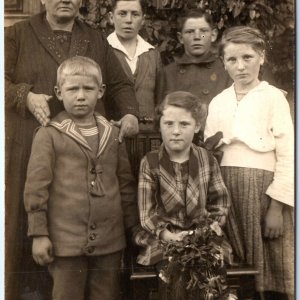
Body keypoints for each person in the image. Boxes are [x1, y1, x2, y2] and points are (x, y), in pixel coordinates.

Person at [5, 1, 139, 298]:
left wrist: (129, 112)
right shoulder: (16, 34)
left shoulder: (94, 38)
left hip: (90, 145)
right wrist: (22, 95)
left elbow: (118, 84)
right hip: (31, 143)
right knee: (29, 228)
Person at [23, 56, 138, 300]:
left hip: (110, 239)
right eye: (72, 89)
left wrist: (133, 229)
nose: (81, 95)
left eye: (88, 88)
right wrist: (39, 234)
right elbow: (36, 188)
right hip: (65, 241)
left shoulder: (113, 134)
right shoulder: (48, 135)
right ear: (59, 92)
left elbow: (125, 185)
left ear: (101, 91)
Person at [204, 26, 294, 300]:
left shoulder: (273, 97)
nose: (240, 66)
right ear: (223, 63)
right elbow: (210, 151)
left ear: (262, 57)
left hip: (263, 192)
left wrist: (277, 206)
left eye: (247, 57)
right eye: (232, 60)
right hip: (226, 190)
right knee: (236, 267)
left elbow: (289, 154)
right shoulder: (219, 102)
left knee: (270, 266)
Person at [133, 91, 230, 299]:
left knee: (210, 266)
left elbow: (220, 201)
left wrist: (206, 230)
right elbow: (146, 213)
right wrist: (167, 235)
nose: (175, 131)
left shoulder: (207, 159)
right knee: (175, 269)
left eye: (184, 124)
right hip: (164, 238)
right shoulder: (150, 163)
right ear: (159, 126)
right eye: (168, 124)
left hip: (202, 234)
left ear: (196, 127)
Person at [158, 9, 232, 107]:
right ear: (180, 38)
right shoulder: (168, 74)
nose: (197, 37)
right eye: (190, 32)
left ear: (213, 35)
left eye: (203, 31)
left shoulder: (226, 71)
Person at [108, 0, 163, 132]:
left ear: (143, 20)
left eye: (135, 14)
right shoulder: (103, 50)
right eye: (122, 14)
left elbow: (159, 99)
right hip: (113, 133)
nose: (129, 20)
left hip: (149, 136)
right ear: (111, 17)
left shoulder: (152, 55)